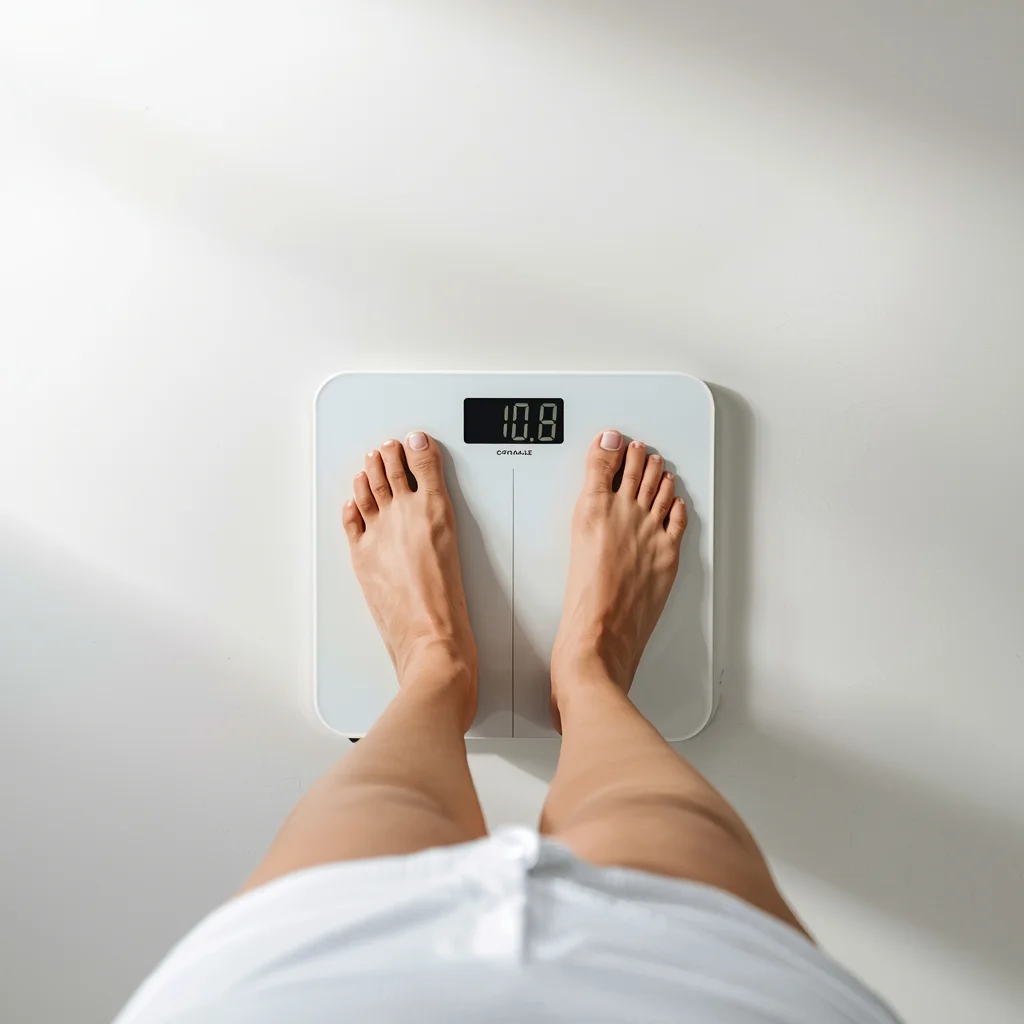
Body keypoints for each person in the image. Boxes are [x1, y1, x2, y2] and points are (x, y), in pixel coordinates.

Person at [115, 429, 900, 1024]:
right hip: (700, 987)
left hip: (296, 990)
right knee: (650, 817)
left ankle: (437, 661)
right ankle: (588, 668)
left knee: (376, 817)